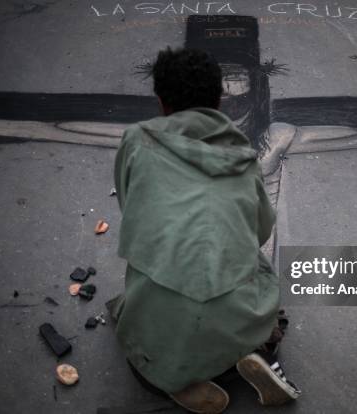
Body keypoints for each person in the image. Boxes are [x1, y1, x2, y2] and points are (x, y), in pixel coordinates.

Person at [104, 47, 300, 413]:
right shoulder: (242, 157)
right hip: (236, 324)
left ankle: (174, 381)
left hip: (158, 346)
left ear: (161, 103)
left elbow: (130, 206)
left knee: (143, 313)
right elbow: (260, 231)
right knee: (263, 284)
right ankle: (256, 351)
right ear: (218, 102)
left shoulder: (136, 141)